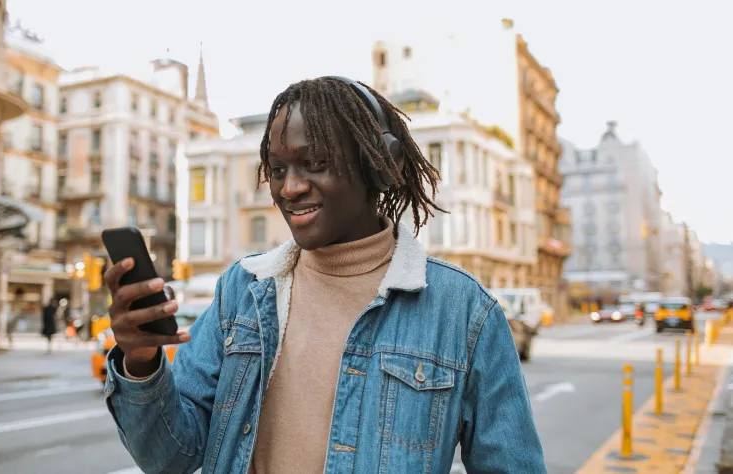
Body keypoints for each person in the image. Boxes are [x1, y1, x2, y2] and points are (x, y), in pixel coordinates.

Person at [102, 76, 545, 473]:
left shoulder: (464, 313)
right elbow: (168, 457)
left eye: (313, 163)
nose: (289, 188)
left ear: (380, 166)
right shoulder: (243, 291)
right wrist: (140, 362)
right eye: (277, 170)